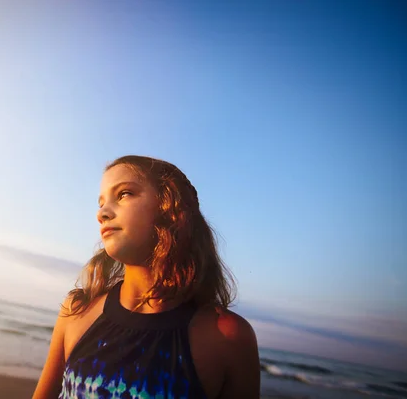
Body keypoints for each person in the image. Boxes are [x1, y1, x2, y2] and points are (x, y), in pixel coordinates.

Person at [33, 155, 260, 399]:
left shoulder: (226, 337)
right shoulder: (78, 311)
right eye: (101, 204)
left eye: (124, 194)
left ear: (171, 208)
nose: (103, 213)